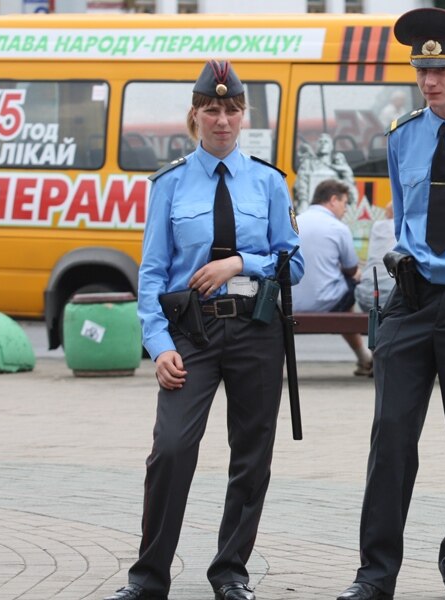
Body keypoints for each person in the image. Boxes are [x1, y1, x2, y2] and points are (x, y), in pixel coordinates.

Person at [103, 59, 303, 600]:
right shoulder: (169, 184)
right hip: (190, 334)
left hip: (256, 332)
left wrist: (240, 262)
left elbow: (294, 263)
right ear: (195, 115)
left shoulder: (268, 181)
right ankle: (148, 578)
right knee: (171, 449)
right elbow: (151, 273)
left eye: (232, 110)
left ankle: (230, 572)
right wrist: (158, 345)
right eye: (212, 109)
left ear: (244, 116)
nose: (222, 120)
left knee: (251, 455)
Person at [337, 9, 445, 600]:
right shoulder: (403, 135)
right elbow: (404, 221)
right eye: (422, 71)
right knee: (391, 439)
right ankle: (374, 575)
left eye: (442, 70)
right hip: (412, 296)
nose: (430, 81)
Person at [292, 178, 373, 376]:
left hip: (289, 303)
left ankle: (364, 358)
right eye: (345, 203)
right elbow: (351, 269)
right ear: (333, 200)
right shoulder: (338, 228)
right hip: (326, 303)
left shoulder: (294, 223)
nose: (346, 210)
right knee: (354, 281)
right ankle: (364, 357)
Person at [354, 202, 396, 313]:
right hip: (394, 298)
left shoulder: (377, 226)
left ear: (387, 214)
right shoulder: (407, 228)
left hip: (365, 298)